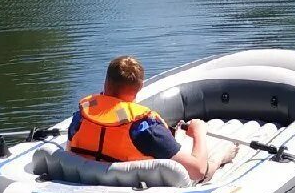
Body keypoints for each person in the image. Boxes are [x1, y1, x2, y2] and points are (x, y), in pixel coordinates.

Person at [66, 55, 215, 183]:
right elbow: (197, 171)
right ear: (140, 86)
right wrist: (199, 133)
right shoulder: (145, 129)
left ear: (106, 82)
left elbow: (70, 152)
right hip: (132, 190)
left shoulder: (80, 117)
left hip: (85, 179)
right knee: (217, 155)